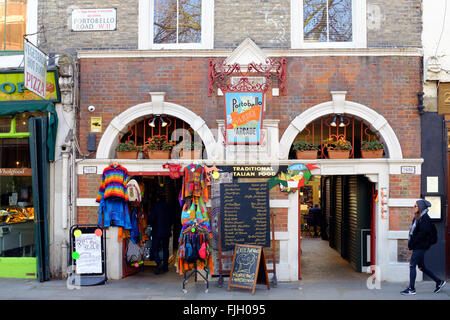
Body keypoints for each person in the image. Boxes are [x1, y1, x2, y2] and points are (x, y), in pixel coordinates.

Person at [401, 199, 446, 295]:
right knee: (421, 267)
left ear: (421, 207)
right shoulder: (418, 217)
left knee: (412, 265)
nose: (414, 207)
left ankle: (411, 289)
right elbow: (413, 233)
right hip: (417, 245)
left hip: (420, 246)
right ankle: (439, 281)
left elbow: (421, 234)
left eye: (416, 206)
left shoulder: (425, 218)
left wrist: (412, 244)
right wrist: (412, 244)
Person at [149, 192, 174, 274]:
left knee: (155, 249)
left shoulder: (155, 206)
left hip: (157, 232)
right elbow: (172, 219)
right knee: (165, 249)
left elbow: (152, 219)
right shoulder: (169, 207)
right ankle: (165, 266)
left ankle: (158, 263)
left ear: (157, 198)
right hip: (166, 231)